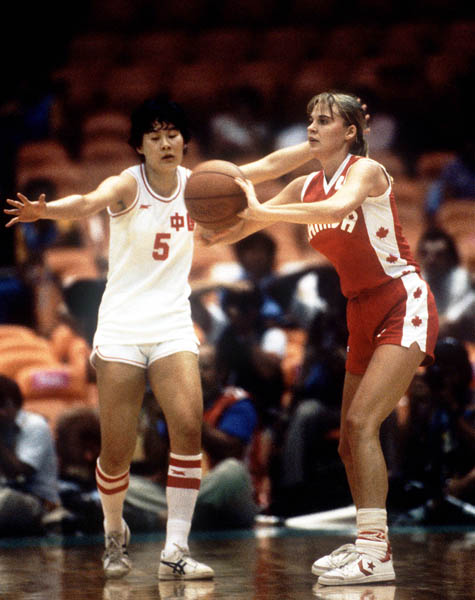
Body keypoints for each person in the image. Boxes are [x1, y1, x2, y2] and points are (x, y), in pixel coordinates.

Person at [3, 95, 313, 579]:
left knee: (188, 426)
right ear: (140, 146)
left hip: (171, 322)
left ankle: (175, 549)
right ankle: (113, 532)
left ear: (185, 142)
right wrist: (48, 211)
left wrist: (315, 148)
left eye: (172, 134)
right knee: (118, 447)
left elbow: (268, 164)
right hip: (123, 326)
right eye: (154, 135)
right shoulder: (128, 183)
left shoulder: (200, 184)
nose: (165, 142)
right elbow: (89, 200)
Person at [201, 91, 439, 586]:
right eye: (310, 119)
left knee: (361, 421)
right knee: (349, 445)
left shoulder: (365, 172)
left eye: (324, 120)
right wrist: (206, 227)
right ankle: (366, 539)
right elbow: (249, 221)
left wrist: (259, 209)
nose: (312, 127)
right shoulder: (306, 184)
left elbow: (341, 205)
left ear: (350, 132)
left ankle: (378, 554)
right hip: (358, 310)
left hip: (401, 299)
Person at [0, 374, 60, 536]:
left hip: (37, 501)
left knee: (6, 502)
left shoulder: (35, 425)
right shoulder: (3, 427)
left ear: (14, 404)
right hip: (6, 495)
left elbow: (19, 473)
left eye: (3, 406)